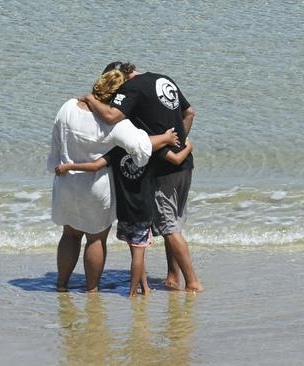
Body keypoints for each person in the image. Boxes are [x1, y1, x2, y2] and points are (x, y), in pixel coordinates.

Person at [47, 70, 179, 292]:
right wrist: (165, 138)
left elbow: (56, 143)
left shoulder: (67, 107)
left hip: (66, 182)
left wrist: (54, 167)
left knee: (69, 235)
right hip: (96, 187)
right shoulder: (116, 123)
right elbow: (141, 148)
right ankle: (91, 289)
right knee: (95, 240)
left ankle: (61, 284)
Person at [83, 62, 203, 292]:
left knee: (169, 227)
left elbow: (111, 116)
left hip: (163, 168)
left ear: (122, 76)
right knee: (174, 223)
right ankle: (172, 276)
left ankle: (193, 282)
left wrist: (90, 99)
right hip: (184, 166)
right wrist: (178, 143)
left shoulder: (133, 87)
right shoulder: (162, 78)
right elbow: (189, 113)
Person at [56, 138, 193, 296]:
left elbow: (95, 166)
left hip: (124, 212)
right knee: (138, 253)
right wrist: (187, 146)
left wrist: (69, 166)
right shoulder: (148, 151)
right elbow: (176, 160)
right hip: (143, 212)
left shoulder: (116, 150)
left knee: (134, 250)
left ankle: (145, 287)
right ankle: (133, 292)